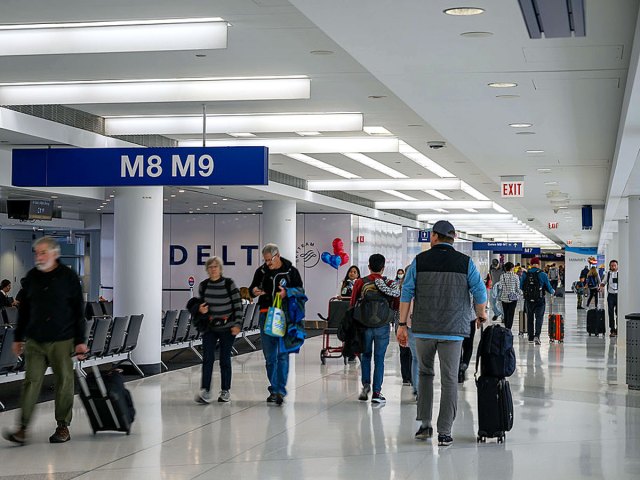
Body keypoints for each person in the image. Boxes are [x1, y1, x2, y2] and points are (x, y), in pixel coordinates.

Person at [397, 220, 487, 447]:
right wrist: (481, 314)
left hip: (424, 329)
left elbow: (406, 294)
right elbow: (479, 291)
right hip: (453, 331)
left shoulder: (419, 261)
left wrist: (401, 324)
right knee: (449, 381)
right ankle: (444, 432)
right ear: (453, 238)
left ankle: (425, 424)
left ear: (434, 237)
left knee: (425, 374)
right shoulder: (466, 263)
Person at [2, 237, 87, 445]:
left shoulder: (68, 277)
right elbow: (24, 311)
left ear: (54, 254)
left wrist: (80, 340)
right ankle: (22, 428)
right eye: (36, 253)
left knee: (64, 382)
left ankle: (62, 426)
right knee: (31, 382)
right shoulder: (31, 278)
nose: (38, 257)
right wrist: (18, 337)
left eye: (43, 253)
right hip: (35, 340)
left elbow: (78, 312)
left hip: (62, 339)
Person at [249, 243, 303, 405]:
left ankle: (280, 390)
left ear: (277, 255)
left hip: (284, 315)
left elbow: (301, 291)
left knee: (282, 354)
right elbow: (252, 288)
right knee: (270, 355)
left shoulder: (291, 272)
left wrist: (288, 292)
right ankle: (274, 387)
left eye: (270, 260)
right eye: (265, 260)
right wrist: (254, 291)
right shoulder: (261, 272)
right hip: (266, 315)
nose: (268, 263)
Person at [190, 257, 243, 404]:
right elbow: (203, 304)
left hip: (228, 327)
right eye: (210, 267)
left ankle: (225, 390)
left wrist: (237, 324)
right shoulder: (204, 286)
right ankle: (205, 390)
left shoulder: (228, 284)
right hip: (210, 328)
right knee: (207, 358)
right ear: (207, 270)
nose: (213, 269)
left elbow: (238, 305)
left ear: (220, 269)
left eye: (215, 267)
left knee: (224, 358)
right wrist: (200, 310)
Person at [351, 253, 399, 405]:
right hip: (382, 326)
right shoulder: (389, 283)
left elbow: (352, 304)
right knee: (379, 359)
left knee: (366, 356)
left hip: (364, 325)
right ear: (383, 268)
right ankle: (377, 393)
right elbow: (396, 306)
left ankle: (366, 386)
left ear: (369, 267)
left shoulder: (360, 282)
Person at [521, 257, 554, 345]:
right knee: (539, 318)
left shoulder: (525, 274)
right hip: (539, 300)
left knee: (530, 318)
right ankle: (537, 336)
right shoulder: (542, 274)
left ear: (531, 264)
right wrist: (552, 291)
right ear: (538, 264)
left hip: (528, 300)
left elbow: (521, 286)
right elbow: (549, 287)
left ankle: (530, 337)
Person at [498, 262, 522, 330]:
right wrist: (522, 293)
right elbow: (517, 289)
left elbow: (500, 287)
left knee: (505, 313)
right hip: (513, 298)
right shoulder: (515, 276)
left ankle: (506, 328)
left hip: (504, 297)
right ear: (512, 268)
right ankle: (509, 329)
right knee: (511, 314)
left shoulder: (502, 276)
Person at [600, 260, 619, 337]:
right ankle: (612, 330)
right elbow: (604, 282)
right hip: (610, 296)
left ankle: (618, 328)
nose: (613, 267)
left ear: (617, 266)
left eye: (615, 265)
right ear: (610, 266)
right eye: (612, 266)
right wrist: (601, 286)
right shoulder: (608, 274)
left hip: (619, 295)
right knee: (610, 314)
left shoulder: (620, 274)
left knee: (618, 313)